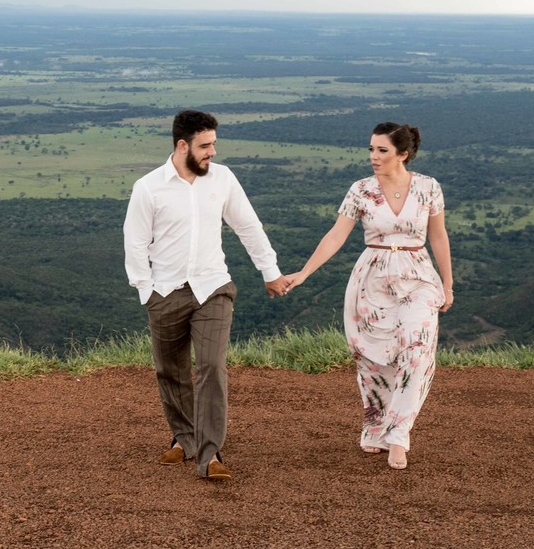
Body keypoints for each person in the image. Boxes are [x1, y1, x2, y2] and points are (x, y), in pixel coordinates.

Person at [124, 109, 291, 481]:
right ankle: (184, 439)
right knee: (171, 371)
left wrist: (270, 272)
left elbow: (248, 226)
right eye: (205, 145)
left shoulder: (223, 179)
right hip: (164, 291)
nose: (212, 152)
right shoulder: (148, 188)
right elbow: (135, 244)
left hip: (213, 287)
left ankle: (210, 453)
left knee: (211, 366)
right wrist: (146, 291)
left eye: (213, 144)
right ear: (183, 146)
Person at [285, 122, 453, 470]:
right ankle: (376, 427)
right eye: (371, 150)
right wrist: (304, 273)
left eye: (382, 150)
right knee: (374, 358)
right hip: (372, 278)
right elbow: (336, 235)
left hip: (419, 276)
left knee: (417, 352)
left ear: (402, 154)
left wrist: (447, 284)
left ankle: (399, 435)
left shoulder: (428, 187)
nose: (373, 157)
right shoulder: (361, 190)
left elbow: (439, 236)